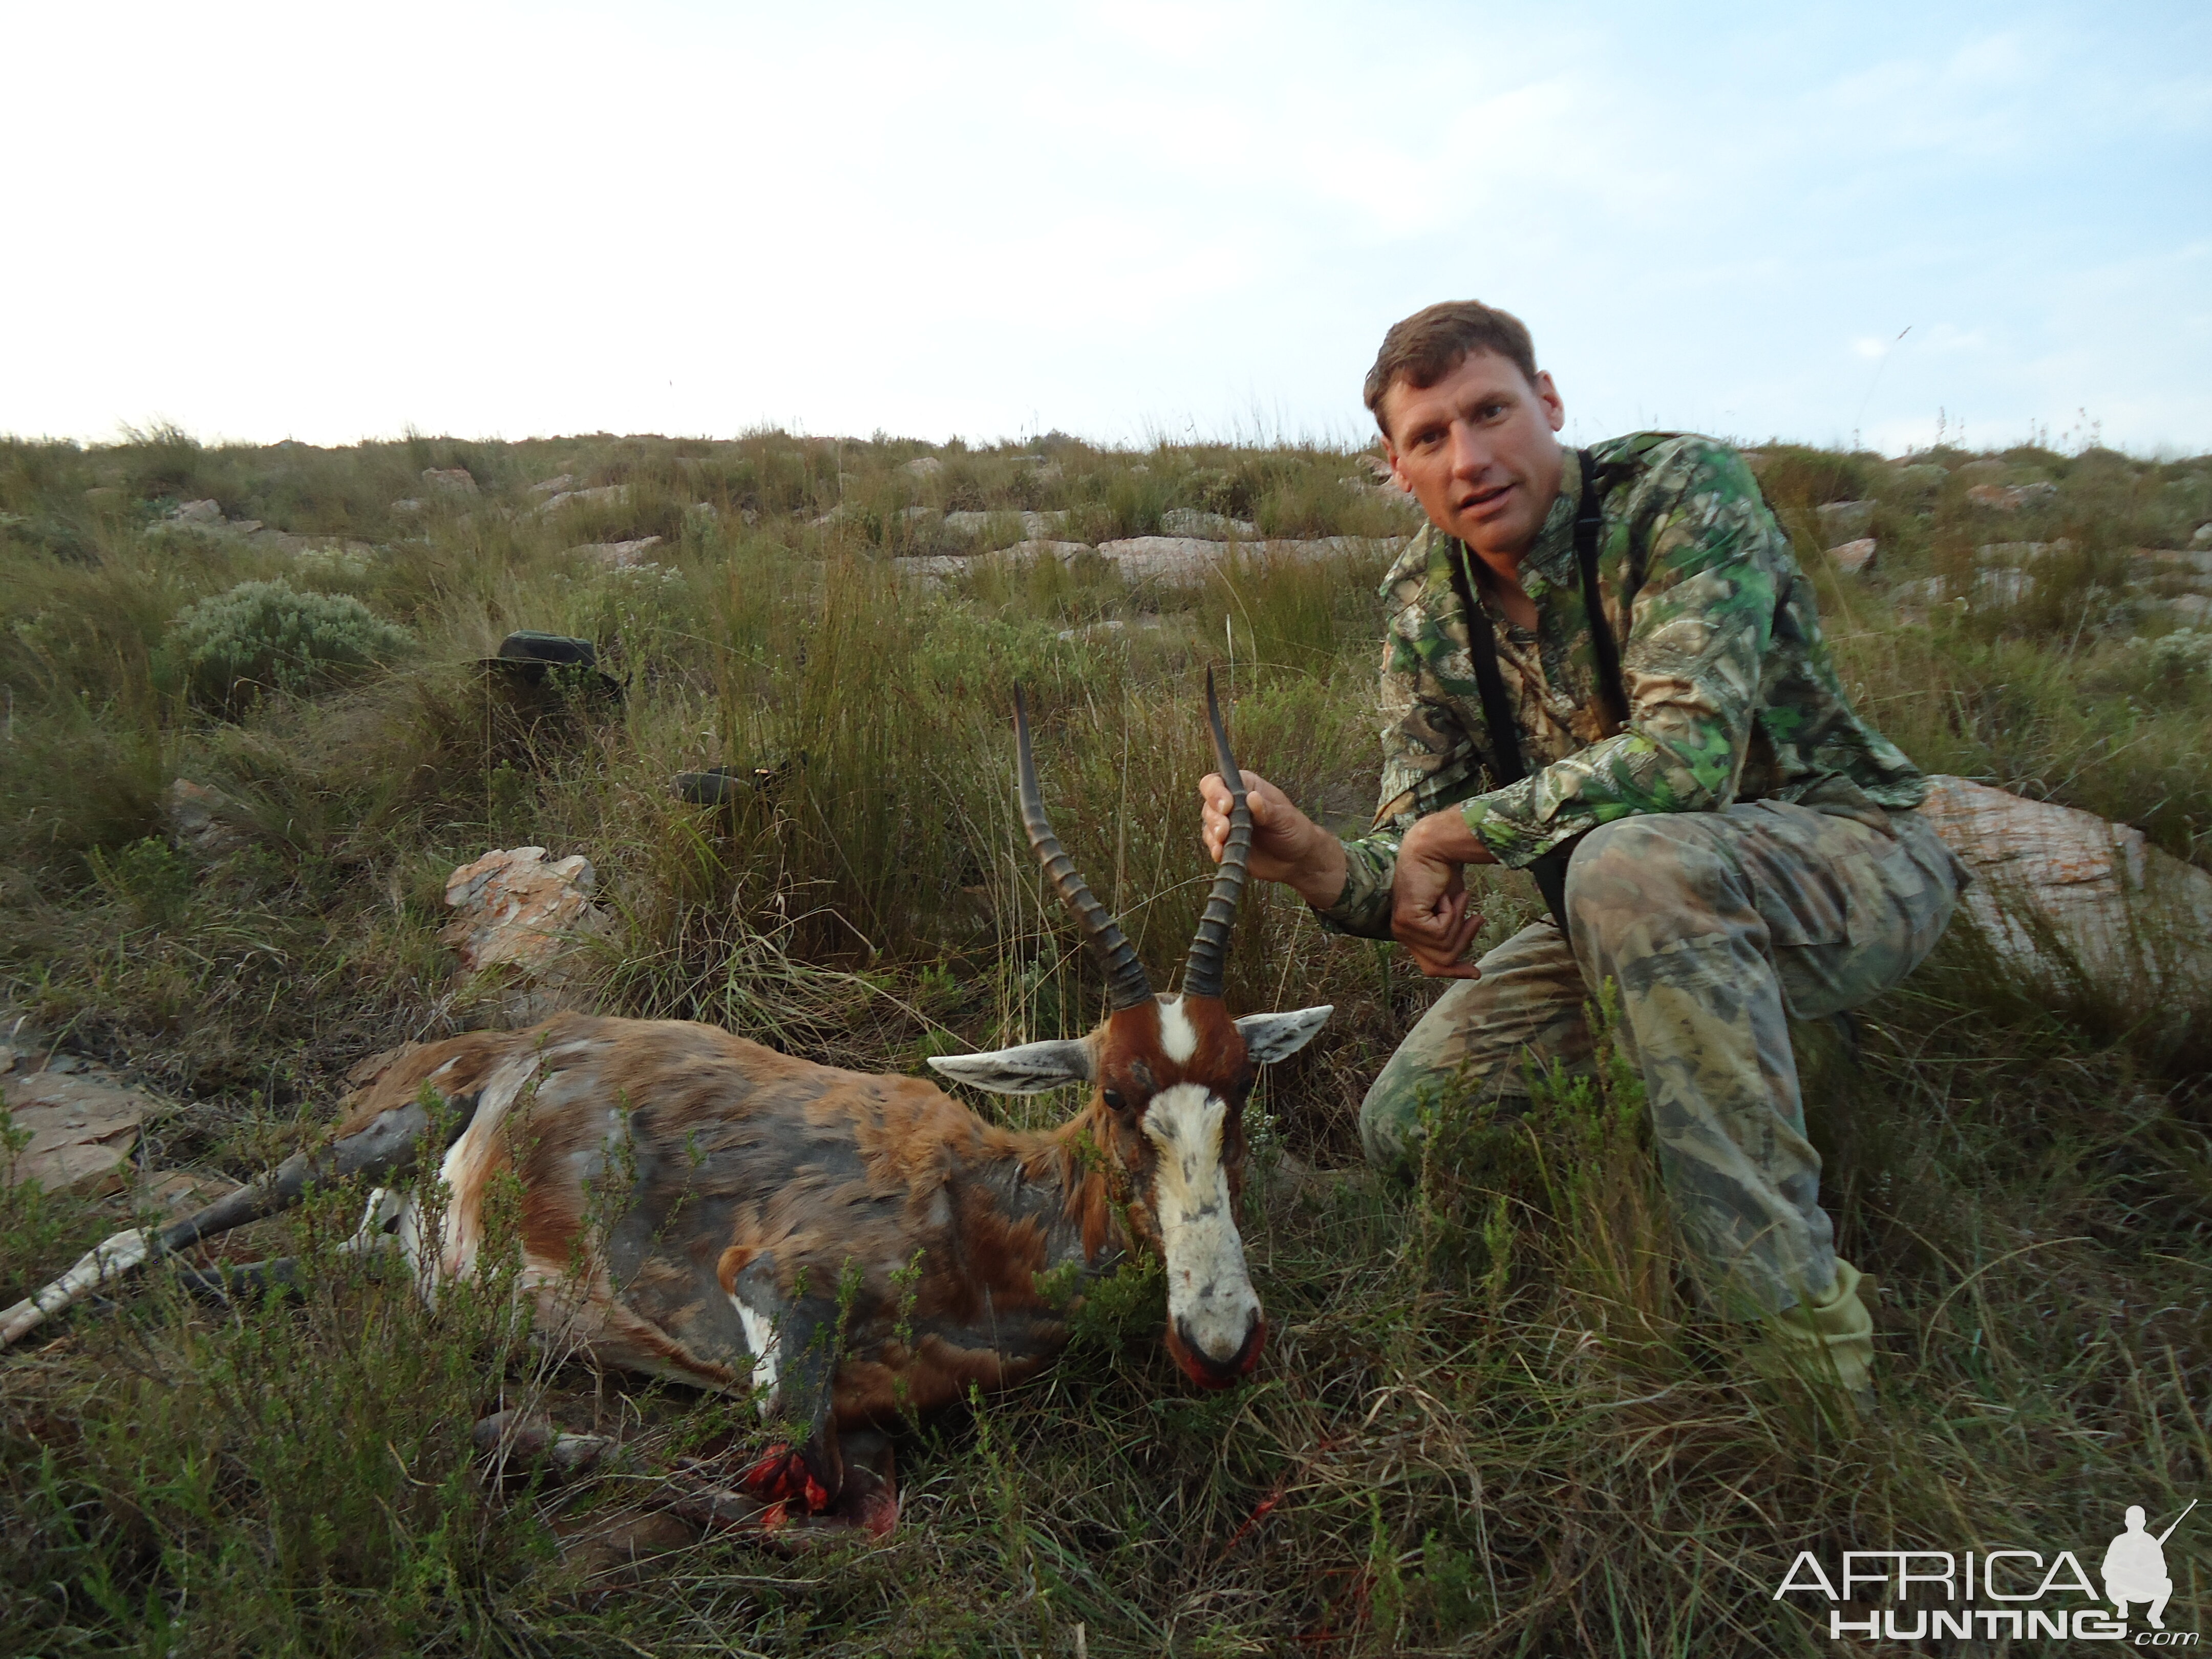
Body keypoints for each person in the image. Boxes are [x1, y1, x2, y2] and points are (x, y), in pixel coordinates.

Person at [1197, 300, 1965, 1398]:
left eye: (1491, 411)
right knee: (1415, 1125)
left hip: (1852, 862)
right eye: (1429, 438)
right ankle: (1746, 1092)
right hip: (1635, 920)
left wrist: (1446, 834)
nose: (1469, 458)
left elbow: (1686, 761)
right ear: (1394, 467)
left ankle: (1798, 1336)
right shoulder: (1424, 606)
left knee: (1622, 866)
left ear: (1548, 404)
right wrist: (1319, 857)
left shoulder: (1679, 494)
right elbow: (1410, 861)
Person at [2102, 1506, 2174, 1629]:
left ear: (2144, 1522)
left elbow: (2162, 1568)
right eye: (2132, 1520)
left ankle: (2154, 1616)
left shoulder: (2150, 1541)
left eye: (2138, 1520)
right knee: (2111, 1582)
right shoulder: (2119, 1541)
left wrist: (2147, 1569)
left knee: (2167, 1585)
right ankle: (2122, 1606)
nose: (2135, 1523)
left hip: (2143, 1586)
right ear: (2126, 1522)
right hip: (2121, 1586)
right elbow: (2107, 1567)